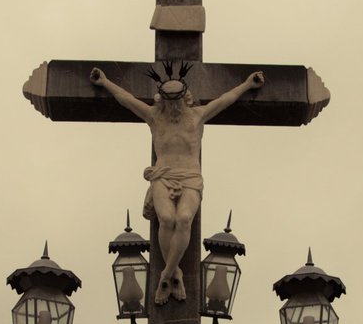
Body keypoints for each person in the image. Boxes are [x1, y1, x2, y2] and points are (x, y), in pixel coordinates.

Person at [90, 64, 264, 304]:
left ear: (185, 99)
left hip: (190, 177)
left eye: (177, 101)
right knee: (167, 220)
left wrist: (247, 84)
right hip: (163, 175)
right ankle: (175, 274)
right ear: (163, 100)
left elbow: (226, 99)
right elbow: (126, 100)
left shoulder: (198, 115)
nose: (173, 107)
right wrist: (105, 82)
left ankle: (167, 274)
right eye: (169, 102)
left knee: (183, 219)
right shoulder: (154, 116)